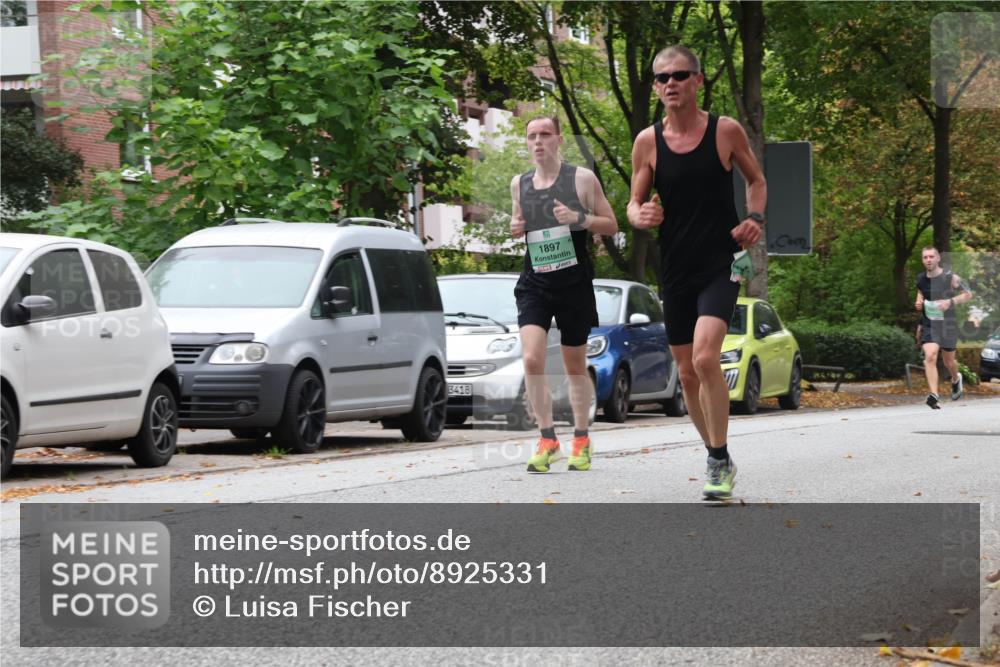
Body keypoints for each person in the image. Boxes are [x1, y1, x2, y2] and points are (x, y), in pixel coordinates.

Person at [627, 45, 767, 500]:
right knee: (686, 373)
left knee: (707, 359)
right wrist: (639, 215)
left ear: (698, 81)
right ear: (656, 86)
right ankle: (715, 453)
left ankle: (717, 456)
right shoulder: (647, 142)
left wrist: (756, 218)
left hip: (720, 262)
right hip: (676, 267)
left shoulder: (724, 131)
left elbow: (756, 181)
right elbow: (633, 202)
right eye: (663, 77)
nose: (671, 83)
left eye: (680, 75)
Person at [510, 115, 618, 473]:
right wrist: (516, 227)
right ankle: (546, 438)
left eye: (544, 135)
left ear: (558, 139)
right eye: (531, 136)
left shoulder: (581, 179)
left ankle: (582, 438)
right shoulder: (519, 184)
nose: (538, 142)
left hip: (573, 284)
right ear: (526, 143)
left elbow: (611, 223)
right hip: (535, 282)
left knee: (574, 366)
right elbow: (517, 224)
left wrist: (578, 218)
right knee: (531, 359)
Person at [915, 246, 972, 408]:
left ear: (938, 258)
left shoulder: (951, 277)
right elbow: (921, 293)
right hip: (929, 324)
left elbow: (968, 294)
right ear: (922, 260)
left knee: (949, 362)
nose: (928, 260)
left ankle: (956, 378)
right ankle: (934, 394)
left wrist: (950, 301)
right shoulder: (920, 278)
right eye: (925, 257)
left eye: (931, 257)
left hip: (948, 325)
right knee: (930, 356)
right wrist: (919, 302)